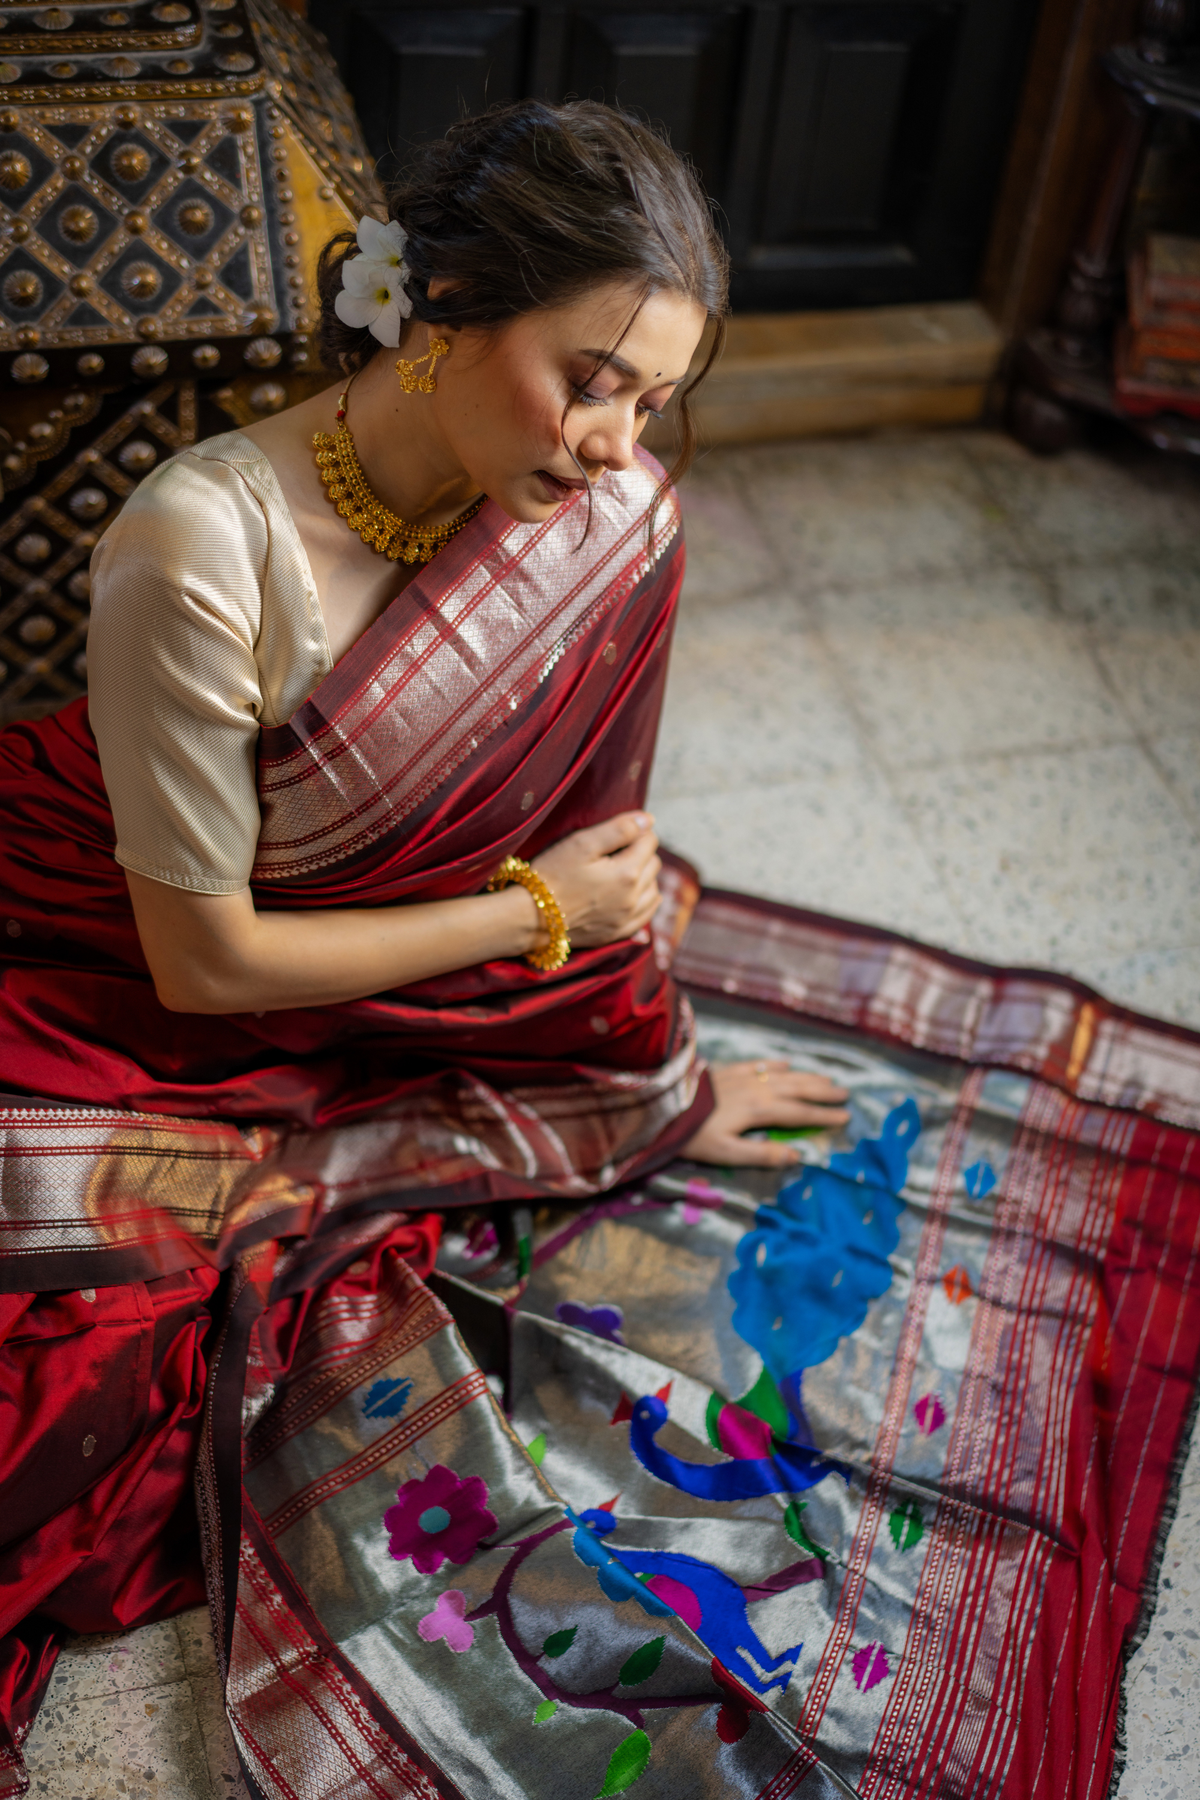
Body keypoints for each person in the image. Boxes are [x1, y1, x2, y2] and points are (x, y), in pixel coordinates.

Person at [0, 99, 847, 1783]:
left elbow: (600, 845)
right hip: (113, 974)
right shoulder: (203, 547)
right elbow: (202, 966)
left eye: (653, 400)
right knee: (89, 1345)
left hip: (381, 986)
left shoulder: (611, 523)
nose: (615, 444)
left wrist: (651, 1081)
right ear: (443, 304)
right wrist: (537, 916)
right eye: (589, 379)